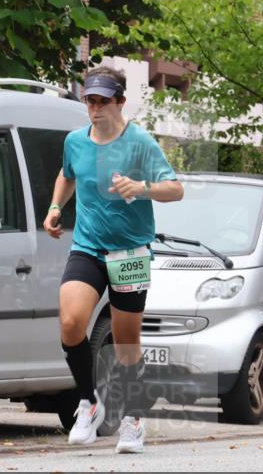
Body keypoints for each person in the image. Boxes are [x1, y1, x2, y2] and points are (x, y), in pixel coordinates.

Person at [43, 66, 183, 453]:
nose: (96, 107)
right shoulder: (75, 141)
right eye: (90, 99)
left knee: (125, 340)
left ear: (121, 101)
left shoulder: (140, 143)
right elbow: (67, 174)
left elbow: (176, 189)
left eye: (104, 100)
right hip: (88, 246)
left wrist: (142, 187)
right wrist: (56, 207)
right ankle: (87, 404)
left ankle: (134, 418)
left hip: (130, 252)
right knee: (71, 323)